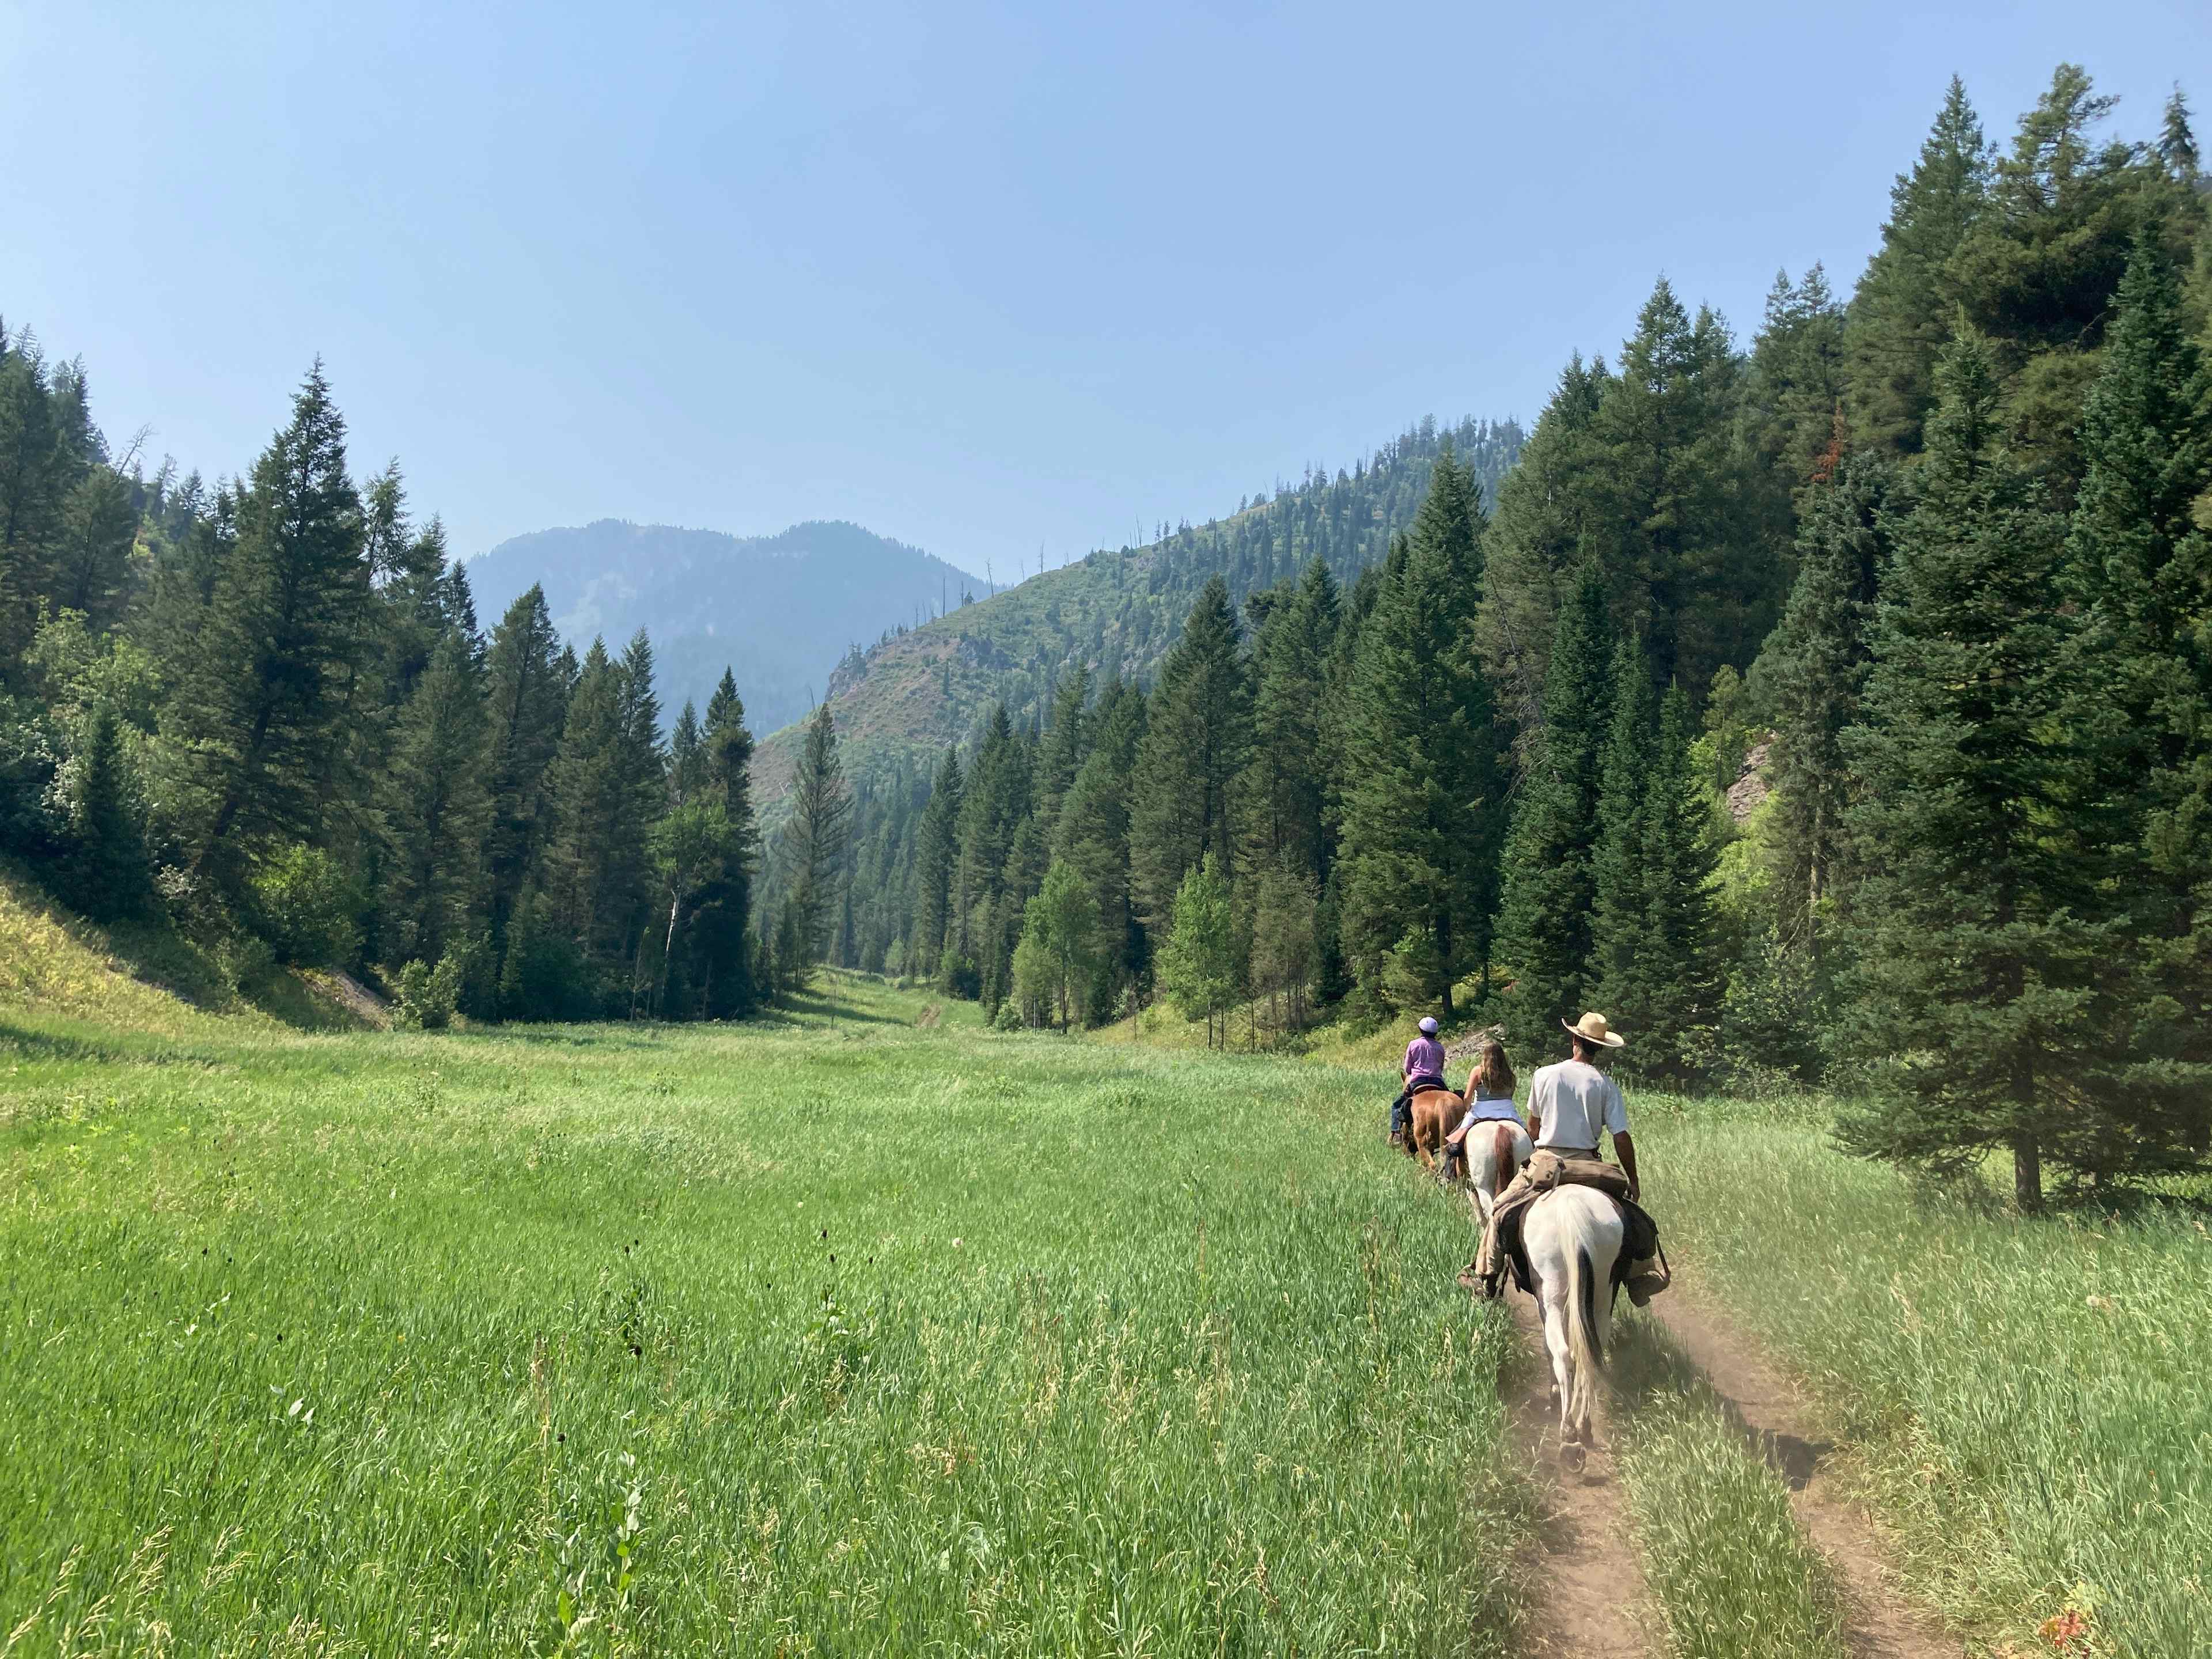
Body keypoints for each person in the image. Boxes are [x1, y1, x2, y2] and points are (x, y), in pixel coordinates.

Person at [1467, 1012, 1642, 1296]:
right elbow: (1621, 1137)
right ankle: (1638, 1273)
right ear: (1599, 1048)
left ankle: (1487, 1276)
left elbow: (1533, 1127)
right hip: (1590, 1164)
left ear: (1575, 1040)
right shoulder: (1607, 1085)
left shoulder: (1545, 1075)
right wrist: (1633, 1180)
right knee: (1634, 1219)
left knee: (1500, 1208)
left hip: (1547, 1161)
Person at [1439, 1037, 1518, 1181]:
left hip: (1482, 1110)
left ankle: (1448, 1177)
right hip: (1508, 1111)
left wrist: (1468, 1109)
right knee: (1529, 1138)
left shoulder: (1478, 1071)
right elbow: (1511, 1095)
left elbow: (1467, 1096)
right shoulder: (1510, 1074)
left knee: (1454, 1143)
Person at [1388, 1015, 1448, 1145]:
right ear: (1435, 1032)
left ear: (1421, 1030)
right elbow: (1441, 1067)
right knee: (1452, 1100)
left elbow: (1408, 1068)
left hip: (1418, 1082)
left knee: (1397, 1105)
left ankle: (1396, 1133)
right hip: (1438, 1082)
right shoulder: (1440, 1047)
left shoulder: (1413, 1044)